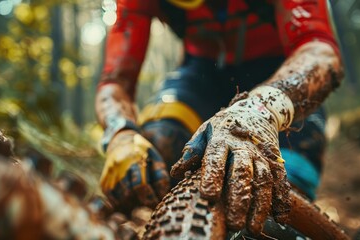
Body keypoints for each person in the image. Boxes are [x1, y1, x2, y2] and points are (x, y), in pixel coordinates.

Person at [95, 0, 343, 234]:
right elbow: (115, 82)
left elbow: (319, 50)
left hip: (282, 70)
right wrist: (121, 134)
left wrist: (259, 111)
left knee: (279, 190)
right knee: (156, 148)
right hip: (203, 73)